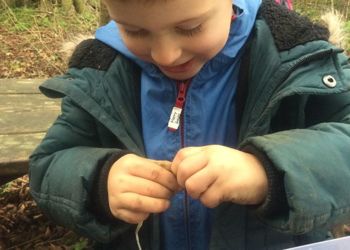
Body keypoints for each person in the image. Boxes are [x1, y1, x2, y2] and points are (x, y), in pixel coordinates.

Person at [29, 0, 350, 249]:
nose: (166, 55)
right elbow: (50, 164)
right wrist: (100, 181)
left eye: (191, 27)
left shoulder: (295, 56)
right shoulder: (101, 69)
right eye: (135, 31)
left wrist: (266, 172)